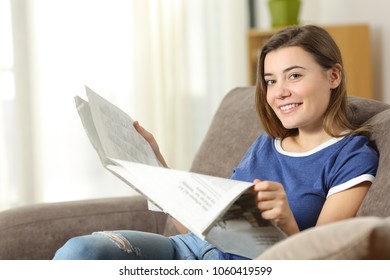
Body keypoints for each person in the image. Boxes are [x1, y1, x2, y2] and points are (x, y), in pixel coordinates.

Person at [53, 25, 378, 260]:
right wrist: (156, 172)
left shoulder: (351, 156)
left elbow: (324, 262)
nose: (279, 93)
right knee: (82, 251)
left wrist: (286, 222)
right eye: (270, 81)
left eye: (294, 76)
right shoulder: (267, 144)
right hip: (188, 251)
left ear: (333, 76)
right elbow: (198, 227)